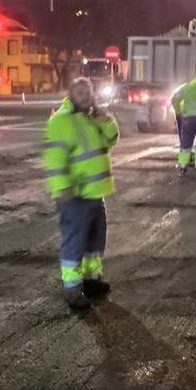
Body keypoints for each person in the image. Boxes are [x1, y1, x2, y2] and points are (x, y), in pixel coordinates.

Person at [43, 77, 119, 310]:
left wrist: (106, 121)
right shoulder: (60, 122)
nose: (85, 96)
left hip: (96, 194)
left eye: (88, 92)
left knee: (95, 240)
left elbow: (112, 140)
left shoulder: (92, 118)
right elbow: (55, 160)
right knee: (75, 242)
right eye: (80, 93)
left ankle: (91, 279)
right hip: (75, 196)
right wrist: (61, 188)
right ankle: (72, 288)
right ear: (70, 95)